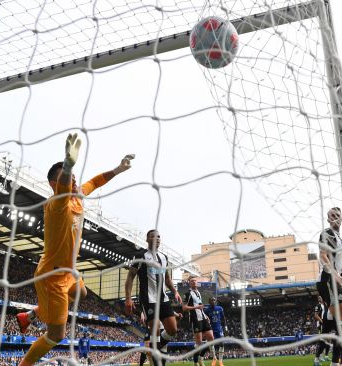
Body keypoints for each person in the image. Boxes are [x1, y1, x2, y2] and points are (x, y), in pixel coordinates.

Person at [16, 132, 134, 366]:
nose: (73, 180)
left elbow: (96, 181)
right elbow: (63, 185)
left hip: (69, 270)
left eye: (72, 176)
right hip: (52, 276)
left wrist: (119, 169)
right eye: (66, 178)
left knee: (82, 293)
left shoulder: (77, 196)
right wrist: (68, 164)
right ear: (55, 184)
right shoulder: (56, 204)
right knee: (56, 335)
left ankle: (30, 314)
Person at [125, 229, 182, 366]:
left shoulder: (164, 258)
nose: (156, 239)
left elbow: (167, 279)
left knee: (172, 330)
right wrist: (128, 299)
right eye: (153, 236)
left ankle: (153, 348)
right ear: (147, 239)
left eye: (158, 237)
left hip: (163, 300)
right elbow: (130, 278)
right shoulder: (141, 256)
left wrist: (175, 291)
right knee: (155, 330)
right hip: (148, 300)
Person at [316, 207, 342, 366]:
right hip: (327, 279)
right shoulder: (326, 234)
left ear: (341, 219)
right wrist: (334, 274)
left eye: (337, 215)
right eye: (331, 216)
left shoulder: (341, 239)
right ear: (328, 220)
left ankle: (336, 363)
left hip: (336, 280)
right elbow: (323, 256)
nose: (334, 218)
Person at [183, 276, 216, 366]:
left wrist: (205, 315)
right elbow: (184, 308)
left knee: (211, 338)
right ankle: (195, 362)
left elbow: (200, 307)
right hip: (195, 319)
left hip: (203, 318)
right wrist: (196, 307)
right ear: (189, 283)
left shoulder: (198, 293)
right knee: (199, 343)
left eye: (195, 281)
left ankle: (201, 358)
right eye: (192, 281)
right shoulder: (187, 294)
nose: (194, 282)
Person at [204, 297, 227, 366]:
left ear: (216, 301)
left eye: (214, 300)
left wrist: (225, 327)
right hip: (211, 329)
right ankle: (214, 358)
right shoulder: (207, 310)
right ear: (209, 302)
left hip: (219, 329)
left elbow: (223, 318)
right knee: (211, 344)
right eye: (211, 300)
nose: (213, 301)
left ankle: (220, 361)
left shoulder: (220, 308)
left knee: (221, 344)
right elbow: (205, 321)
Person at [313, 295, 331, 364]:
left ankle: (324, 356)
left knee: (327, 341)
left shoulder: (325, 305)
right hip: (321, 324)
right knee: (322, 341)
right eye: (318, 298)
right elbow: (316, 315)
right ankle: (317, 358)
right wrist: (322, 321)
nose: (319, 298)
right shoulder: (318, 306)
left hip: (326, 324)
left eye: (320, 297)